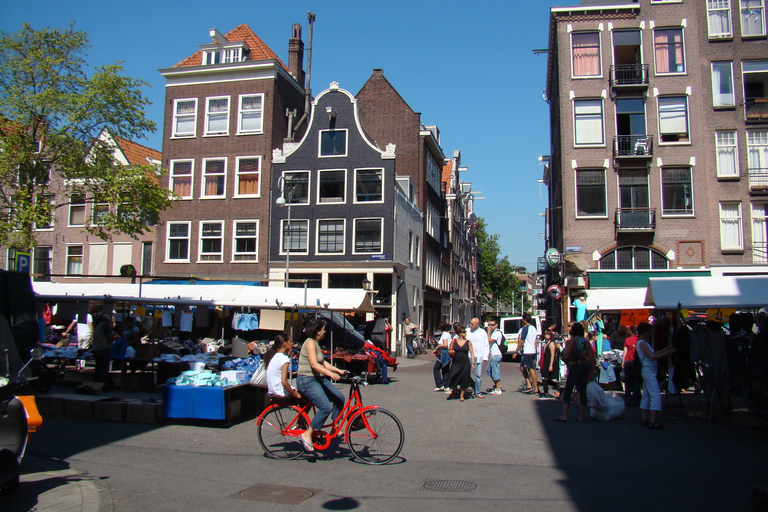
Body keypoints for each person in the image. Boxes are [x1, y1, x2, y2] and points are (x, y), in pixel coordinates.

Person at [296, 318, 347, 452]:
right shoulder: (310, 343)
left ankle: (334, 427)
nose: (325, 331)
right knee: (325, 407)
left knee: (339, 399)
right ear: (317, 332)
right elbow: (314, 364)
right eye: (323, 329)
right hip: (307, 379)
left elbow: (322, 363)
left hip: (317, 378)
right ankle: (308, 434)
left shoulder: (316, 344)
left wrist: (338, 370)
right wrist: (330, 375)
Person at [637, 322, 676, 429]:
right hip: (649, 371)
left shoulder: (642, 343)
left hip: (648, 370)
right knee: (655, 395)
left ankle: (645, 417)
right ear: (644, 332)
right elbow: (652, 356)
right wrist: (667, 353)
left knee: (646, 394)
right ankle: (652, 419)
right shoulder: (642, 343)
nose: (649, 334)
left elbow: (653, 354)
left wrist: (665, 350)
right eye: (648, 331)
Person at [555, 322, 595, 422]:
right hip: (585, 366)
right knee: (582, 391)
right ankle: (581, 415)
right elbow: (591, 357)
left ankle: (564, 415)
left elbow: (567, 353)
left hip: (575, 366)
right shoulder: (586, 341)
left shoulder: (574, 340)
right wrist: (592, 370)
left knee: (568, 389)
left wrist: (565, 357)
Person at [264, 334, 302, 402]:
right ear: (285, 343)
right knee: (307, 397)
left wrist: (288, 355)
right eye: (290, 341)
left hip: (272, 391)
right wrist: (294, 394)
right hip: (281, 393)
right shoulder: (284, 359)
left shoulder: (275, 356)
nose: (291, 344)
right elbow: (284, 382)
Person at [446, 325, 475, 401]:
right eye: (463, 332)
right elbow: (449, 350)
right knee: (453, 376)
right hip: (456, 362)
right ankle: (454, 391)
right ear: (459, 333)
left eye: (465, 332)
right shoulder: (454, 341)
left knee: (464, 378)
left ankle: (462, 395)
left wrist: (473, 363)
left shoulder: (468, 342)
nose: (465, 333)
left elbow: (472, 353)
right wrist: (450, 351)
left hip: (465, 362)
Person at [517, 313, 541, 396]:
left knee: (531, 369)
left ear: (524, 320)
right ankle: (529, 384)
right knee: (522, 367)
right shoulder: (534, 328)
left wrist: (516, 350)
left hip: (528, 351)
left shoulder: (525, 329)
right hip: (532, 350)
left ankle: (536, 388)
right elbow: (536, 340)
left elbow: (521, 340)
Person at [467, 318, 489, 398]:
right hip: (469, 355)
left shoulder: (482, 332)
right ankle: (472, 386)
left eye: (472, 324)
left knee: (478, 375)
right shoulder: (467, 331)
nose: (470, 325)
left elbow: (486, 344)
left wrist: (485, 356)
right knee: (465, 373)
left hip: (478, 356)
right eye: (470, 323)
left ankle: (478, 392)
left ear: (477, 325)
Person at [91, 314, 116, 384]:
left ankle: (96, 382)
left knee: (98, 367)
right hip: (103, 349)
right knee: (103, 368)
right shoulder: (105, 326)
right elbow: (110, 337)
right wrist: (115, 339)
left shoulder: (98, 326)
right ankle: (101, 383)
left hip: (96, 349)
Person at [622, 325, 641, 405]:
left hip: (628, 361)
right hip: (637, 361)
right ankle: (636, 397)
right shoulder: (639, 339)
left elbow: (625, 351)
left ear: (631, 331)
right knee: (637, 380)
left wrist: (623, 361)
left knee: (628, 381)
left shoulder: (627, 339)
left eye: (628, 330)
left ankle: (627, 398)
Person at [540, 328, 561, 399]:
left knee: (545, 378)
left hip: (549, 362)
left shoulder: (552, 343)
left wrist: (551, 365)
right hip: (545, 362)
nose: (545, 335)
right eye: (545, 334)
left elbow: (552, 355)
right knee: (546, 378)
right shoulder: (547, 343)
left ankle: (547, 392)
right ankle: (558, 389)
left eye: (547, 334)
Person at [432, 322, 452, 391]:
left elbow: (445, 345)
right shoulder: (448, 334)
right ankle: (446, 385)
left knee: (436, 368)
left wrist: (438, 347)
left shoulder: (444, 335)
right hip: (447, 353)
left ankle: (440, 384)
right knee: (445, 369)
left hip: (444, 353)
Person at [486, 320, 503, 395]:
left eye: (492, 325)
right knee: (489, 371)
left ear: (496, 325)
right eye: (489, 325)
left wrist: (488, 332)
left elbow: (489, 340)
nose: (490, 326)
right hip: (492, 354)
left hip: (496, 354)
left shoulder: (497, 333)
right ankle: (497, 385)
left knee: (495, 371)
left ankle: (498, 389)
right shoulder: (493, 333)